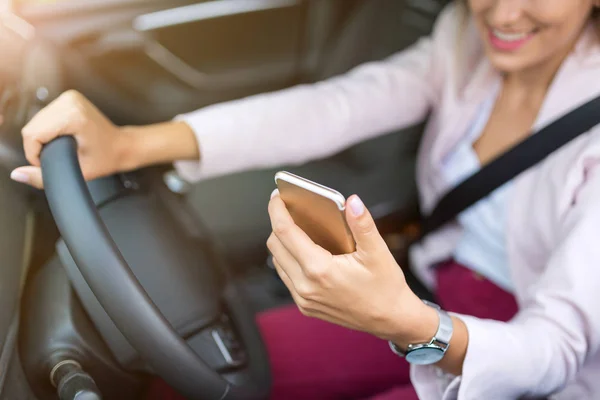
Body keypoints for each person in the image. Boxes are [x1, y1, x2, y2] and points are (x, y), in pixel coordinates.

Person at [10, 0, 600, 398]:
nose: (502, 12)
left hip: (521, 353)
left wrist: (406, 322)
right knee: (215, 376)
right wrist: (132, 144)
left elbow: (557, 347)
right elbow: (335, 106)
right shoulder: (462, 41)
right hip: (425, 291)